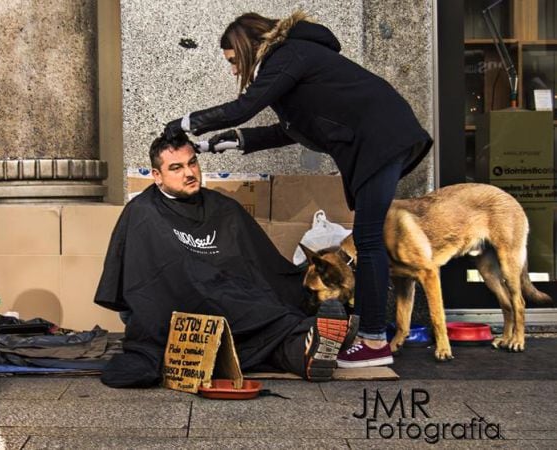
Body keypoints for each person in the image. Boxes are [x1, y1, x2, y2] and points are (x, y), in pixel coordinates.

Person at [163, 10, 433, 368]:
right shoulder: (293, 65)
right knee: (368, 238)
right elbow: (290, 128)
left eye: (232, 61)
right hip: (383, 138)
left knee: (367, 240)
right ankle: (372, 337)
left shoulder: (289, 54)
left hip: (381, 139)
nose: (233, 71)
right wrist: (233, 141)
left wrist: (184, 123)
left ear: (246, 48)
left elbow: (244, 107)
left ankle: (373, 342)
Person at [94, 132, 357, 388]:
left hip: (233, 296)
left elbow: (260, 262)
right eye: (176, 168)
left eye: (192, 163)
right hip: (180, 304)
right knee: (266, 320)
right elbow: (147, 280)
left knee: (271, 309)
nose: (189, 173)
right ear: (157, 176)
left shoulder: (223, 207)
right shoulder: (143, 213)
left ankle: (308, 351)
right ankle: (311, 338)